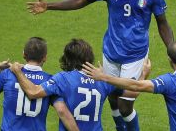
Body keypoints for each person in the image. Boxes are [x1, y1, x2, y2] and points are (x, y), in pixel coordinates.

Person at [26, 0, 174, 131]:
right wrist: (49, 6)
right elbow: (81, 0)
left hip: (135, 55)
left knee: (125, 104)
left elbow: (162, 23)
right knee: (111, 97)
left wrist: (173, 51)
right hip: (111, 52)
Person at [10, 38, 145, 131]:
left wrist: (17, 72)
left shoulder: (63, 79)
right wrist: (144, 74)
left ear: (68, 58)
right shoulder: (103, 80)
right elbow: (132, 93)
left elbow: (33, 92)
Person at [0, 37, 79, 131]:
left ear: (24, 54)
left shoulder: (8, 74)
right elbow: (61, 110)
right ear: (45, 58)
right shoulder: (51, 81)